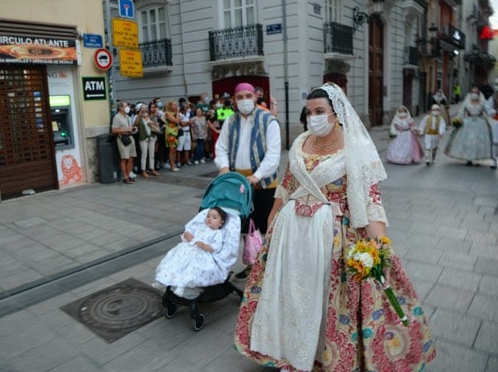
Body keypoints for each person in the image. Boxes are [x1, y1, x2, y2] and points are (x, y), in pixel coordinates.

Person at [234, 82, 436, 371]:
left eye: (319, 111)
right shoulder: (301, 142)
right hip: (291, 234)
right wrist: (272, 226)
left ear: (337, 113)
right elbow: (286, 188)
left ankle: (319, 356)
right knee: (292, 294)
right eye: (309, 112)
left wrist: (379, 248)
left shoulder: (358, 147)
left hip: (334, 236)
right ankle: (290, 353)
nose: (313, 117)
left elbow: (371, 200)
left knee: (324, 297)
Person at [215, 82, 281, 279]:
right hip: (238, 182)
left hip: (264, 181)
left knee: (266, 224)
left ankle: (270, 264)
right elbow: (221, 147)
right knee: (246, 226)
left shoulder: (268, 120)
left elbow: (273, 154)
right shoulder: (230, 120)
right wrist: (224, 168)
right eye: (240, 97)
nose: (244, 100)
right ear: (234, 101)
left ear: (255, 97)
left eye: (248, 96)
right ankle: (253, 263)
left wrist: (256, 176)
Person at [154, 207, 230, 299]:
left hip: (201, 254)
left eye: (214, 218)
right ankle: (162, 280)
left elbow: (215, 248)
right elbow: (188, 233)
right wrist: (187, 235)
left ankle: (181, 286)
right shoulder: (200, 227)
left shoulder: (217, 233)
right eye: (208, 216)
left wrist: (204, 246)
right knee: (174, 263)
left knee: (190, 269)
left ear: (221, 223)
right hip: (186, 250)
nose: (210, 219)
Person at [445, 87, 493, 167]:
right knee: (468, 141)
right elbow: (461, 112)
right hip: (467, 122)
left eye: (476, 92)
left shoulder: (482, 103)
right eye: (473, 92)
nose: (474, 94)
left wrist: (491, 113)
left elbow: (488, 111)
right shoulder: (466, 102)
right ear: (470, 94)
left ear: (478, 94)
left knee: (477, 141)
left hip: (480, 123)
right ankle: (469, 159)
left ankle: (476, 156)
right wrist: (458, 120)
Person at [111, 101, 137, 184]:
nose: (127, 108)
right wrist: (126, 130)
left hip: (130, 137)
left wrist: (133, 129)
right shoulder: (117, 117)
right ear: (120, 108)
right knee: (124, 158)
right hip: (123, 139)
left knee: (131, 158)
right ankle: (125, 177)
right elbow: (114, 130)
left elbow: (130, 128)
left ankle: (129, 175)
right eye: (125, 106)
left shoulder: (128, 117)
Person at [134, 103, 159, 178]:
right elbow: (135, 124)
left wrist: (152, 123)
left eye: (146, 108)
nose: (145, 110)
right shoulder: (138, 117)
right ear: (140, 109)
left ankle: (152, 169)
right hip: (143, 137)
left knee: (152, 154)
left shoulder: (151, 116)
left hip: (151, 137)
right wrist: (139, 114)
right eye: (143, 108)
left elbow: (156, 125)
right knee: (144, 154)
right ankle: (143, 171)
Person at [163, 100, 181, 172]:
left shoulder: (175, 113)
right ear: (170, 106)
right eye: (174, 105)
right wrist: (178, 113)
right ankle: (172, 166)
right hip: (170, 133)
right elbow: (176, 121)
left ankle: (174, 164)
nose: (176, 106)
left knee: (175, 149)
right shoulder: (168, 113)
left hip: (175, 133)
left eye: (176, 104)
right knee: (172, 149)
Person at [485, 92, 498, 169]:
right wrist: (495, 111)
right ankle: (494, 160)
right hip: (496, 121)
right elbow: (487, 109)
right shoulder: (493, 98)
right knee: (495, 141)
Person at [177, 102, 192, 168]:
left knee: (187, 147)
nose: (187, 108)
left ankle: (187, 160)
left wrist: (186, 123)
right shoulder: (179, 115)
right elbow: (182, 124)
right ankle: (178, 161)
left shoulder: (188, 113)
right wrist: (188, 123)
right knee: (179, 148)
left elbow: (191, 122)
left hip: (188, 132)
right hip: (182, 132)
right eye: (186, 107)